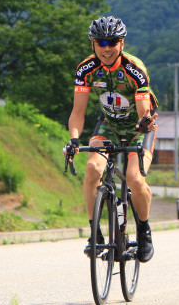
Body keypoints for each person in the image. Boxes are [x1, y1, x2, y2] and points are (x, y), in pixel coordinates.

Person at [64, 16, 158, 262]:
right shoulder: (86, 69)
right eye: (100, 42)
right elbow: (77, 112)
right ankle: (95, 234)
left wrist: (144, 121)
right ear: (93, 44)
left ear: (122, 43)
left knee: (134, 179)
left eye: (112, 42)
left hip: (140, 127)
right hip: (109, 125)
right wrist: (74, 140)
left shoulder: (134, 69)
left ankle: (144, 231)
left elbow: (143, 108)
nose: (106, 48)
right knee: (93, 168)